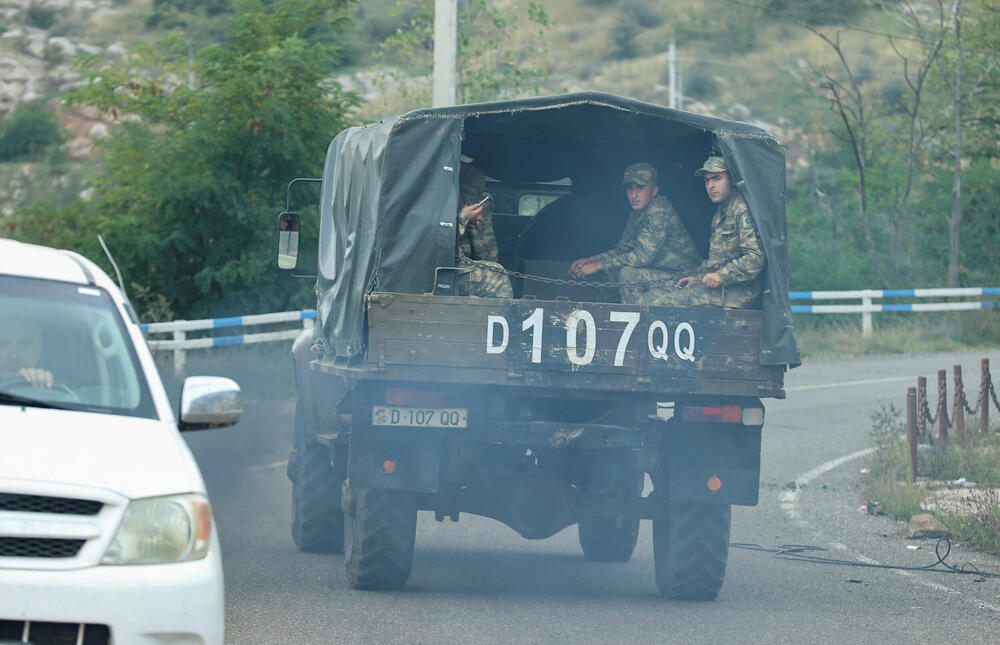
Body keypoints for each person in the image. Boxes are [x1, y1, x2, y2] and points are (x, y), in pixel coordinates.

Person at [569, 162, 700, 303]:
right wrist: (591, 261)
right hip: (660, 273)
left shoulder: (659, 208)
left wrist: (597, 266)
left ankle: (634, 316)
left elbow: (643, 257)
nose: (634, 195)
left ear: (654, 190)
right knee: (609, 271)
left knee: (628, 274)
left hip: (682, 276)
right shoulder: (636, 214)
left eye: (640, 188)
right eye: (629, 188)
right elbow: (623, 250)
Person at [669, 155, 765, 308]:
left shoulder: (742, 211)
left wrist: (721, 276)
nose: (710, 186)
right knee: (670, 293)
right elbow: (717, 261)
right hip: (724, 288)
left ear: (732, 180)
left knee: (672, 302)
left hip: (741, 293)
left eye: (717, 178)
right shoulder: (721, 212)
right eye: (707, 180)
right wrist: (698, 278)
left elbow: (755, 259)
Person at [455, 156, 513, 298]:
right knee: (497, 277)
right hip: (440, 266)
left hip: (455, 262)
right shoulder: (436, 193)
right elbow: (437, 235)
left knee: (494, 268)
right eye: (459, 163)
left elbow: (488, 255)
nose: (462, 168)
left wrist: (467, 222)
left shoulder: (455, 193)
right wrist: (463, 217)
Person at [0, 315, 53, 388]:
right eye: (3, 344)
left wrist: (44, 387)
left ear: (39, 348)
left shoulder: (63, 390)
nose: (14, 355)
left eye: (24, 344)